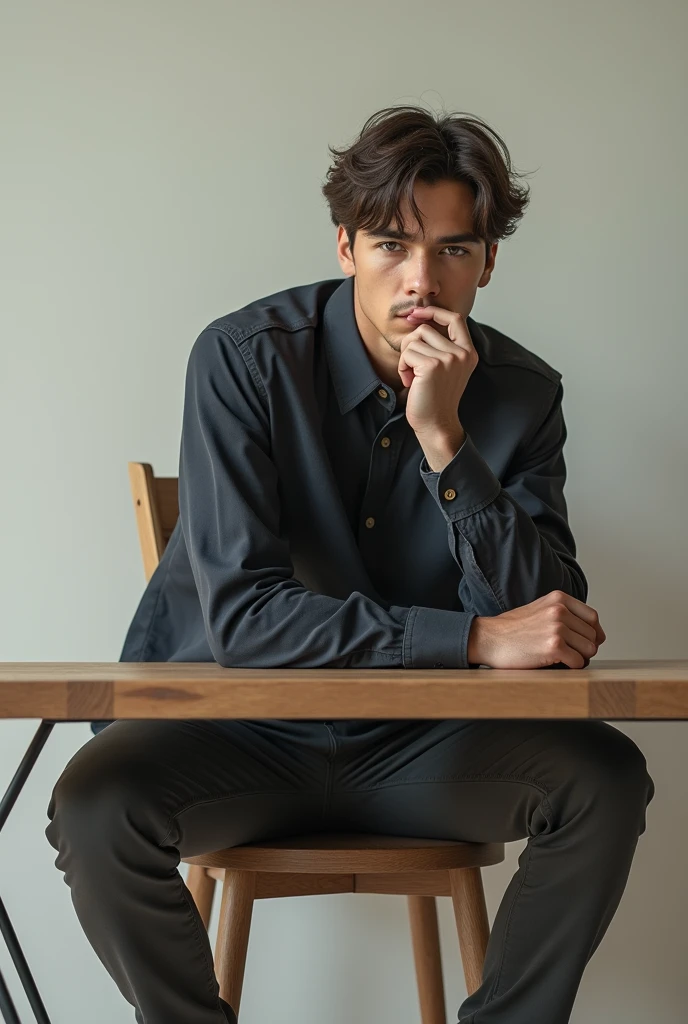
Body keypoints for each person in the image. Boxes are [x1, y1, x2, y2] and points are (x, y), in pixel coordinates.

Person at [45, 104, 655, 1024]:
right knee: (94, 805)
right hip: (236, 735)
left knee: (605, 778)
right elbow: (246, 619)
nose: (422, 280)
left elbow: (551, 630)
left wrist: (447, 444)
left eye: (453, 250)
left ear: (488, 260)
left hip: (424, 750)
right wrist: (473, 640)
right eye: (391, 246)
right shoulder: (243, 361)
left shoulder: (523, 395)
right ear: (344, 247)